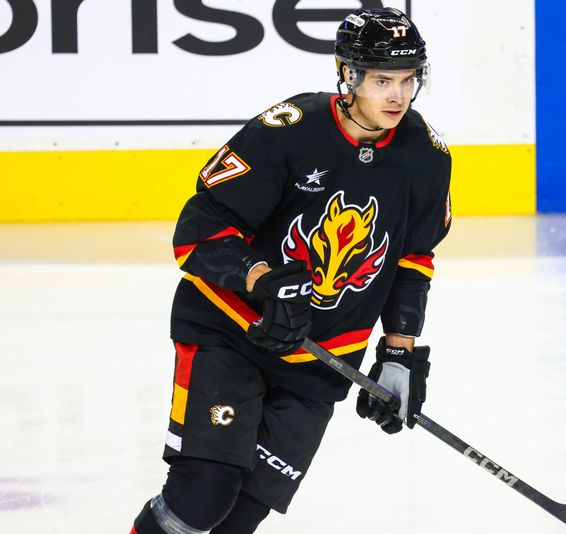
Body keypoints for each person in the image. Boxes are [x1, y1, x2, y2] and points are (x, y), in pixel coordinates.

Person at [131, 7, 451, 534]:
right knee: (202, 496)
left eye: (408, 80)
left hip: (321, 360)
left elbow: (413, 259)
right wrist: (263, 278)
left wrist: (399, 351)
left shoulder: (426, 156)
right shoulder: (289, 130)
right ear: (348, 76)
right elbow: (199, 230)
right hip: (233, 332)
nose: (397, 95)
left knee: (240, 519)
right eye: (382, 80)